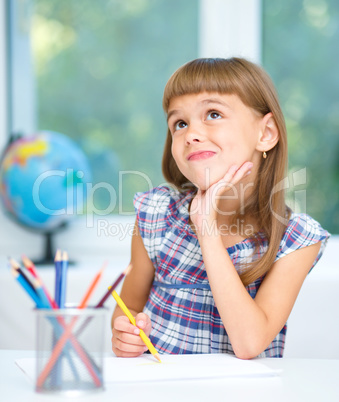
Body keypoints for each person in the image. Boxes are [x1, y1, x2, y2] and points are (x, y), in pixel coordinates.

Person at [111, 57, 330, 359]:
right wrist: (125, 334)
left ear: (265, 134)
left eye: (213, 114)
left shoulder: (296, 238)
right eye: (180, 123)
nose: (191, 134)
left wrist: (207, 227)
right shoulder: (156, 213)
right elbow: (128, 308)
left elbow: (249, 343)